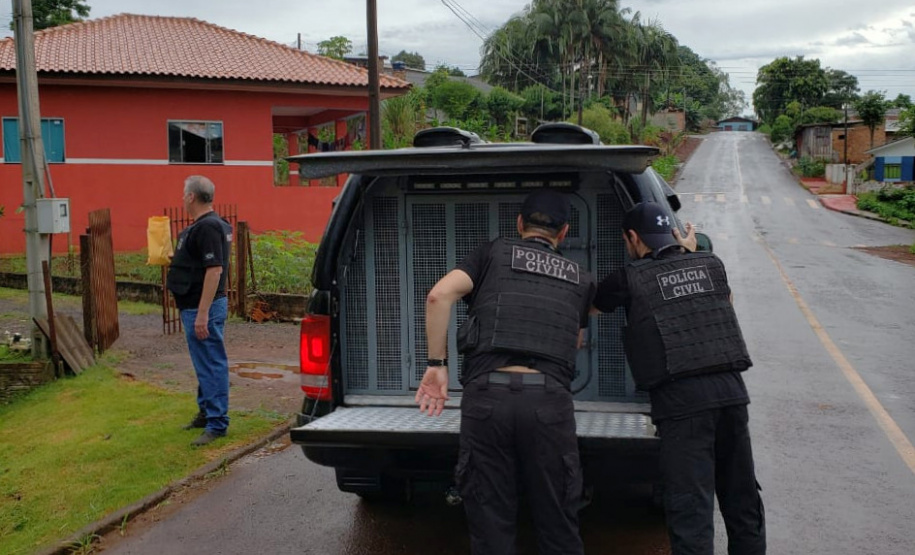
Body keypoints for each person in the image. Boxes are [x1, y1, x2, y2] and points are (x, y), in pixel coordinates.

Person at [415, 189, 595, 555]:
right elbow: (574, 341)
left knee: (490, 520)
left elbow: (438, 296)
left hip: (487, 402)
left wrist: (437, 366)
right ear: (563, 233)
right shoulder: (581, 278)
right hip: (548, 404)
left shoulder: (492, 253)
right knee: (558, 521)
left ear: (519, 225)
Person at [592, 202, 765, 555]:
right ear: (674, 235)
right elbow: (720, 302)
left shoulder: (628, 277)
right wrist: (688, 253)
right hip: (731, 393)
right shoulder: (711, 264)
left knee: (690, 507)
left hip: (682, 403)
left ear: (632, 238)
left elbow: (590, 307)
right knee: (742, 498)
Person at [166, 175, 233, 447]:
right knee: (204, 363)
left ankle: (217, 423)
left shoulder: (208, 227)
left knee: (211, 362)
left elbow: (214, 270)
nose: (182, 198)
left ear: (192, 197)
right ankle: (207, 413)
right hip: (195, 305)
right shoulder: (203, 227)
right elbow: (200, 263)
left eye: (184, 193)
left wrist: (203, 313)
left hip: (202, 307)